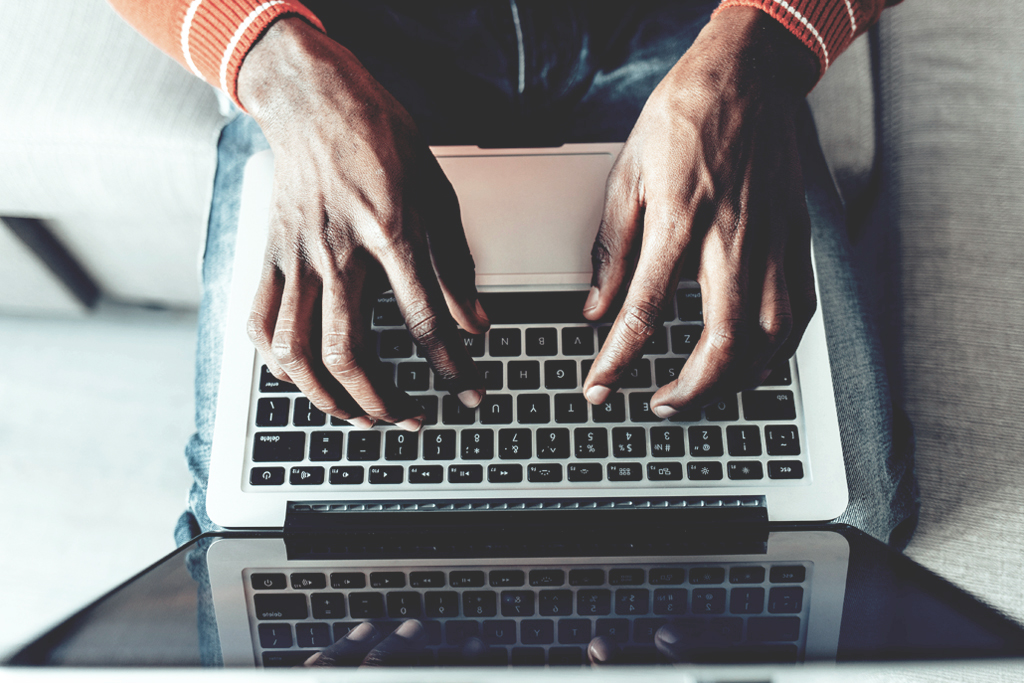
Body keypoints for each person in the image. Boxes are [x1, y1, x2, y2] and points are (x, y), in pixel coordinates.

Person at [108, 0, 916, 553]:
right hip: (339, 44)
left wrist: (766, 44)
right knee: (252, 540)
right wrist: (270, 61)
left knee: (844, 518)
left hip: (694, 31)